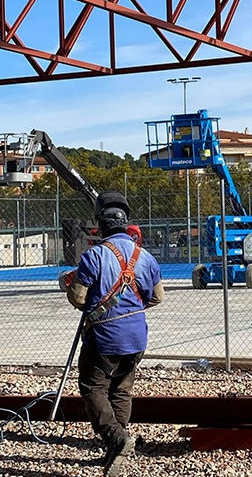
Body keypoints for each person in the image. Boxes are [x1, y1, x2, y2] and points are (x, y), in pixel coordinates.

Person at [62, 191, 163, 476]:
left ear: (99, 225)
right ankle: (114, 449)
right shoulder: (146, 257)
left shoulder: (94, 256)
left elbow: (80, 299)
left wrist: (69, 286)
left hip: (104, 336)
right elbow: (157, 297)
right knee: (121, 389)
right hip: (136, 336)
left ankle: (116, 438)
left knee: (93, 387)